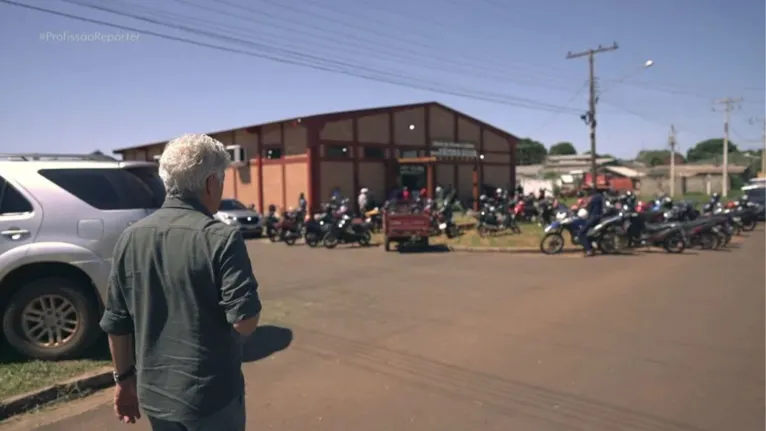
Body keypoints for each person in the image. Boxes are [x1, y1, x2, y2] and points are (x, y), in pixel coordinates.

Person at [99, 134, 262, 430]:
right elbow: (245, 322)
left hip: (155, 396)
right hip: (212, 398)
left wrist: (123, 381)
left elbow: (117, 322)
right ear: (211, 183)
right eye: (222, 178)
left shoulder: (130, 238)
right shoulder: (221, 238)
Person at [577, 188, 604, 257]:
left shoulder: (595, 198)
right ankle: (590, 247)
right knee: (586, 232)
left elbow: (587, 206)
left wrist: (579, 206)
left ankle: (588, 250)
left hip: (594, 218)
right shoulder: (599, 197)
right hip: (596, 217)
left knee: (581, 233)